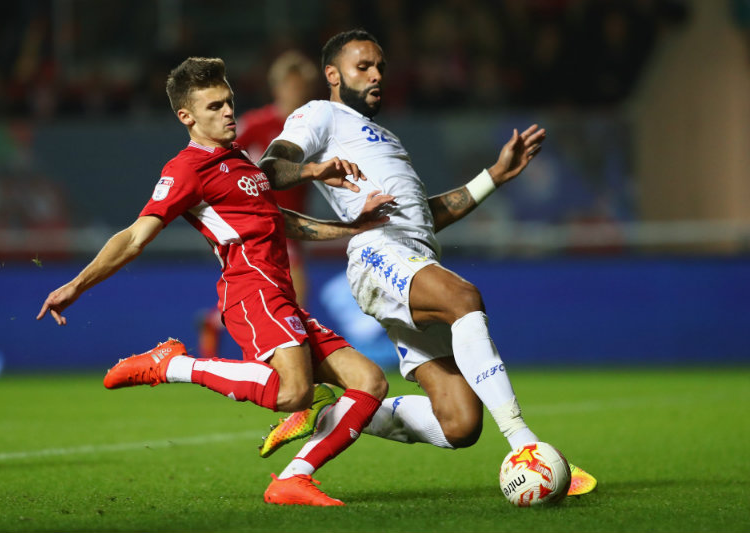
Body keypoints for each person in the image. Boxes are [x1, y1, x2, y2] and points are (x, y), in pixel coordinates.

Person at [36, 56, 398, 507]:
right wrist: (77, 284)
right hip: (251, 290)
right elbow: (134, 236)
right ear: (186, 117)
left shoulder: (239, 160)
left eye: (228, 102)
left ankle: (292, 479)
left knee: (370, 381)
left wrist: (352, 228)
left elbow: (279, 221)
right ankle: (172, 365)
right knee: (292, 392)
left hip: (279, 292)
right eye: (214, 107)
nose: (228, 112)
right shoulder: (186, 169)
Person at [256, 29, 597, 496]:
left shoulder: (385, 136)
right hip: (378, 254)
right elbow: (272, 169)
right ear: (332, 75)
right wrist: (316, 169)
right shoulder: (320, 114)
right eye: (363, 67)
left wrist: (493, 177)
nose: (377, 75)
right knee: (463, 298)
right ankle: (526, 445)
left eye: (380, 67)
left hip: (413, 256)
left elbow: (424, 218)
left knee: (459, 423)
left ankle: (336, 412)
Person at [197, 50, 318, 358]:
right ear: (277, 87)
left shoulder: (313, 128)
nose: (297, 92)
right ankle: (294, 362)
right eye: (291, 86)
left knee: (265, 292)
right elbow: (217, 155)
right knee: (295, 291)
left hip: (294, 222)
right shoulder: (257, 124)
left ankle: (216, 321)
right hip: (260, 221)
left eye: (302, 86)